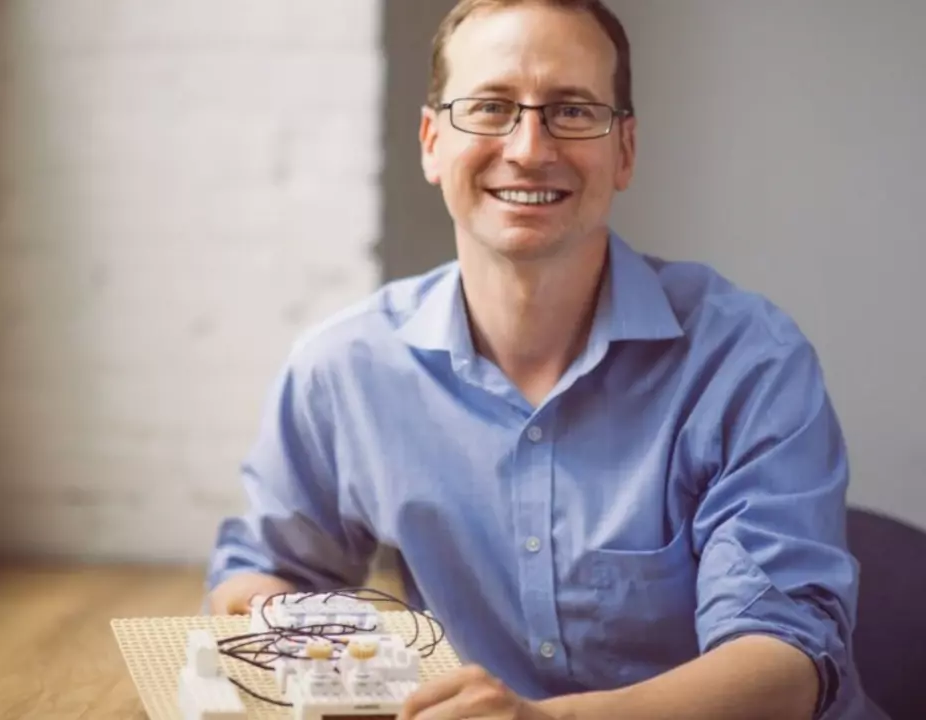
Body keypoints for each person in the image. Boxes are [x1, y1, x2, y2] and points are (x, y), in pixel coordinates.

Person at [204, 1, 887, 718]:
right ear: (432, 141)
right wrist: (338, 656)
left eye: (571, 111)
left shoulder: (747, 362)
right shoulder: (345, 368)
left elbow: (785, 667)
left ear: (624, 151)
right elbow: (262, 572)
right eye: (491, 108)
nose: (529, 147)